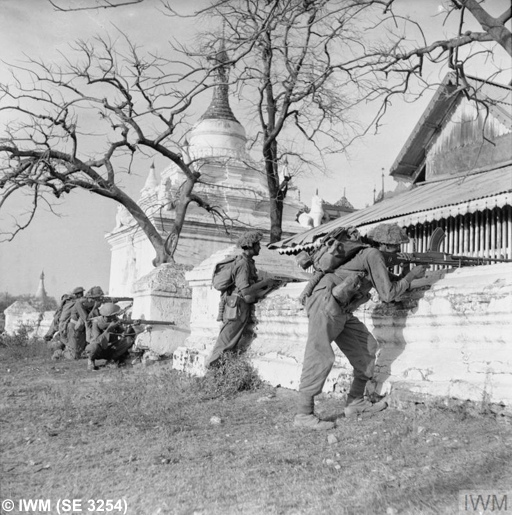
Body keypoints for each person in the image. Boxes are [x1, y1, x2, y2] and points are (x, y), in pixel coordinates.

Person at [294, 223, 427, 430]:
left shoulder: (370, 256)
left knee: (367, 349)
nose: (399, 251)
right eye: (396, 247)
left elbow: (389, 284)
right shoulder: (373, 254)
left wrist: (408, 273)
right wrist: (410, 277)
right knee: (319, 354)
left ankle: (355, 402)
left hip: (341, 308)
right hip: (325, 302)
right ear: (384, 245)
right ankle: (304, 414)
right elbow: (388, 295)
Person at [206, 230, 280, 368]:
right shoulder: (243, 264)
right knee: (225, 342)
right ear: (251, 245)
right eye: (258, 244)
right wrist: (266, 283)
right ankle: (211, 371)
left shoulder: (248, 262)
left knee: (230, 342)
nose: (260, 247)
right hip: (237, 306)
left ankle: (219, 372)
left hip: (239, 305)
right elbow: (245, 289)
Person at [86, 303, 137, 371]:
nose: (115, 317)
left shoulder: (115, 320)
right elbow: (97, 340)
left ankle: (111, 360)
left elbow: (123, 334)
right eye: (113, 315)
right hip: (99, 350)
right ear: (107, 316)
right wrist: (109, 329)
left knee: (128, 340)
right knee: (92, 347)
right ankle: (91, 361)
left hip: (111, 348)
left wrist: (131, 326)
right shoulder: (96, 322)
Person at [65, 286, 105, 360]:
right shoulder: (79, 304)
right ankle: (61, 352)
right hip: (74, 328)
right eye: (94, 299)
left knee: (81, 353)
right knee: (73, 356)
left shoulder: (86, 303)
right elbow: (86, 318)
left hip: (82, 329)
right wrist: (95, 307)